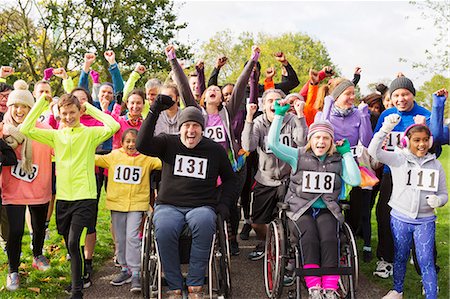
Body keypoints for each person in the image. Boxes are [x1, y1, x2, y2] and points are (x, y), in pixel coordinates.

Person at [136, 95, 236, 299]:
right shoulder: (167, 143)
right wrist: (154, 110)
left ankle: (195, 284)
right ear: (180, 127)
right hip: (169, 205)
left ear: (202, 128)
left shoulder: (214, 150)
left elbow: (231, 180)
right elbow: (142, 145)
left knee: (205, 222)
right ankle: (174, 285)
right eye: (187, 126)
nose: (191, 131)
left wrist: (224, 204)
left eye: (195, 126)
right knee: (163, 227)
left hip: (201, 206)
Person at [20, 93, 119, 299]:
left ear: (79, 112)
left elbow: (113, 126)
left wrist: (88, 107)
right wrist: (41, 104)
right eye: (64, 113)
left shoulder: (90, 134)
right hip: (64, 199)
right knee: (70, 245)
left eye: (72, 112)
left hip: (85, 196)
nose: (68, 116)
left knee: (74, 243)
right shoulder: (55, 136)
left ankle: (77, 291)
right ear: (59, 115)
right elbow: (25, 129)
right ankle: (78, 279)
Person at [168, 44, 260, 256]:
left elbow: (240, 85)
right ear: (203, 95)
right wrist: (173, 60)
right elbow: (183, 87)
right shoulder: (196, 111)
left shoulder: (227, 113)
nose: (213, 91)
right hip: (202, 167)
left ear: (221, 99)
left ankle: (229, 239)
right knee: (206, 207)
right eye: (210, 89)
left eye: (217, 91)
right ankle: (205, 241)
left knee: (228, 206)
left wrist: (252, 61)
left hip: (228, 167)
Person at [268, 100, 361, 299]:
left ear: (331, 141)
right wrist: (278, 116)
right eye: (317, 137)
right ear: (311, 139)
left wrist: (346, 155)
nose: (321, 142)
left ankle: (329, 287)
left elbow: (354, 179)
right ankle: (314, 287)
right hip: (300, 209)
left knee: (329, 238)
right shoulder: (298, 156)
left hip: (327, 209)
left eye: (325, 138)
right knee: (309, 237)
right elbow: (273, 145)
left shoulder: (337, 159)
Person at [368, 115, 447, 299]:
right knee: (400, 256)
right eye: (417, 140)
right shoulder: (398, 159)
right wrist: (386, 128)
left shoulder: (436, 165)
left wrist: (439, 201)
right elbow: (374, 151)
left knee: (426, 260)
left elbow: (444, 194)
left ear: (431, 141)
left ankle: (431, 294)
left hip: (425, 221)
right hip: (400, 218)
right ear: (406, 141)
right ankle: (398, 290)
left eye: (425, 140)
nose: (422, 144)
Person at [372, 76, 431, 279]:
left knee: (419, 215)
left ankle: (422, 257)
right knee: (384, 213)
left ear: (412, 94)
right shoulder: (387, 114)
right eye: (396, 95)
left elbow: (435, 148)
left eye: (405, 94)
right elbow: (377, 140)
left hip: (417, 174)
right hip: (391, 173)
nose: (400, 99)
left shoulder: (424, 115)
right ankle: (386, 259)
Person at [241, 89, 307, 261]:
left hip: (290, 179)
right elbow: (248, 146)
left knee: (292, 221)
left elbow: (302, 143)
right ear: (264, 105)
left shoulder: (292, 120)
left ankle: (290, 252)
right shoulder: (258, 122)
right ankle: (265, 242)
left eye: (278, 100)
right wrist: (248, 118)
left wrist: (300, 116)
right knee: (257, 222)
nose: (274, 104)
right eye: (269, 100)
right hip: (266, 178)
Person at [1, 80, 53, 291]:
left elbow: (62, 150)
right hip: (12, 190)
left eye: (24, 106)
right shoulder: (3, 130)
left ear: (31, 108)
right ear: (9, 107)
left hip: (39, 188)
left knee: (39, 227)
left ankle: (37, 255)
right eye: (16, 106)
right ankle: (13, 270)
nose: (20, 110)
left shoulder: (44, 130)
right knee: (14, 231)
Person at [95, 128, 161, 293]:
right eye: (128, 141)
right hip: (117, 204)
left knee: (132, 237)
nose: (131, 144)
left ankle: (136, 271)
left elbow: (163, 161)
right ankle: (125, 269)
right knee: (121, 239)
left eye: (134, 141)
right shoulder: (114, 156)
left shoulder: (146, 159)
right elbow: (94, 158)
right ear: (122, 143)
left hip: (137, 204)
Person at [318, 78, 374, 262]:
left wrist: (365, 116)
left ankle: (346, 243)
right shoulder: (325, 114)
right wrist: (327, 106)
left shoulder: (358, 113)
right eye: (348, 93)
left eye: (353, 93)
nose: (352, 97)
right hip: (329, 165)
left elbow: (366, 141)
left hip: (351, 163)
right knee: (330, 205)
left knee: (353, 206)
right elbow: (322, 131)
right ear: (337, 96)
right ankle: (328, 242)